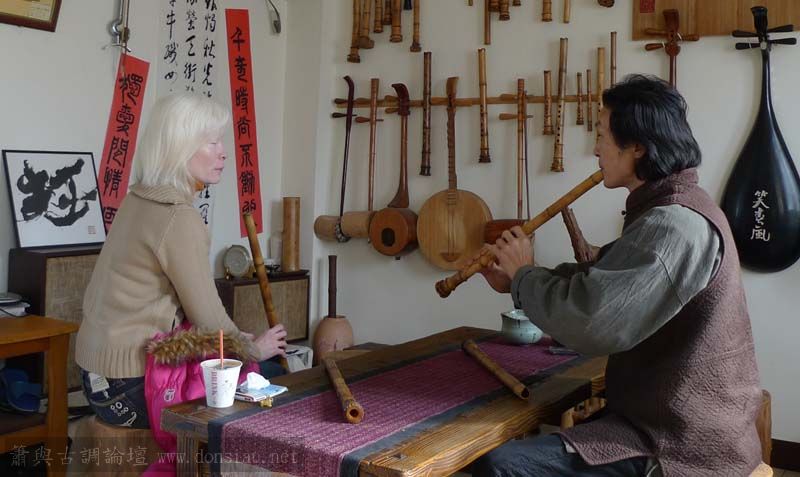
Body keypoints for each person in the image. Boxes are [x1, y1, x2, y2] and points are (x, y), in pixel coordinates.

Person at [474, 75, 762, 476]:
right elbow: (602, 277)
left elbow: (593, 320)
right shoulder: (670, 208)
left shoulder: (674, 225)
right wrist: (515, 279)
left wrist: (524, 275)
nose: (595, 148)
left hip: (682, 446)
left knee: (503, 466)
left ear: (637, 147)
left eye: (601, 135)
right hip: (661, 424)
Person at [75, 93, 287, 429]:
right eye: (212, 142)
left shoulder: (137, 198)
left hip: (95, 375)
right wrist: (252, 349)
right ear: (181, 148)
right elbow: (207, 317)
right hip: (130, 384)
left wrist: (236, 341)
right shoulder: (178, 216)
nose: (223, 153)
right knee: (271, 379)